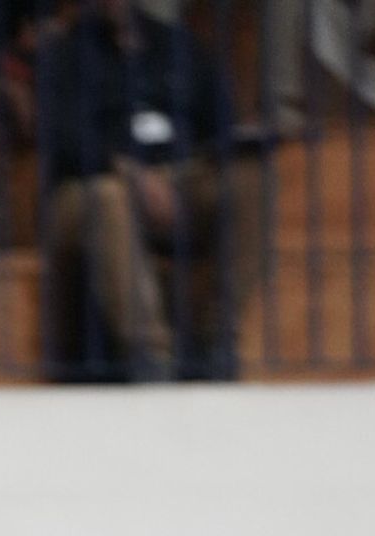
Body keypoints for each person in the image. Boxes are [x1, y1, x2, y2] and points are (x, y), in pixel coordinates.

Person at [38, 0, 244, 382]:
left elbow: (222, 122)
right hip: (91, 184)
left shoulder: (178, 44)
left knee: (244, 185)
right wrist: (129, 173)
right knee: (108, 198)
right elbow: (61, 138)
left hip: (181, 175)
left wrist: (195, 169)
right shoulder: (64, 53)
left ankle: (218, 343)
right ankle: (150, 355)